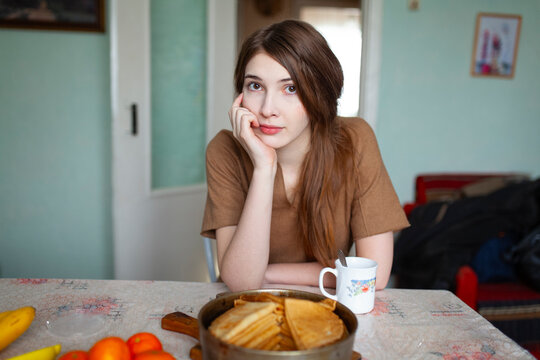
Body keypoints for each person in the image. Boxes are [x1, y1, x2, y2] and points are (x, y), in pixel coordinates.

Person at [201, 20, 409, 292]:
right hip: (250, 310)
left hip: (329, 309)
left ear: (318, 94)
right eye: (255, 86)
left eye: (290, 88)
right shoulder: (225, 149)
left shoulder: (354, 139)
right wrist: (264, 168)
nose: (267, 109)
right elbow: (241, 283)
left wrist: (265, 275)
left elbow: (373, 275)